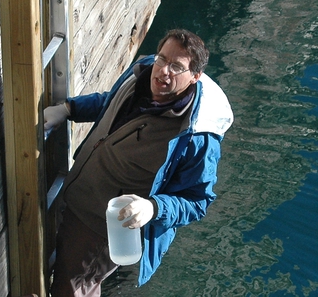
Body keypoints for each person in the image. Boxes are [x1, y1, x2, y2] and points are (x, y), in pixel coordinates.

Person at [44, 29, 233, 297]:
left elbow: (198, 201)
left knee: (72, 289)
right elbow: (110, 104)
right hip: (76, 199)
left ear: (195, 77)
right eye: (162, 59)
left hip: (101, 229)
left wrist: (153, 208)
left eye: (177, 67)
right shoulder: (142, 73)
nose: (164, 71)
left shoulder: (196, 136)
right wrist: (69, 109)